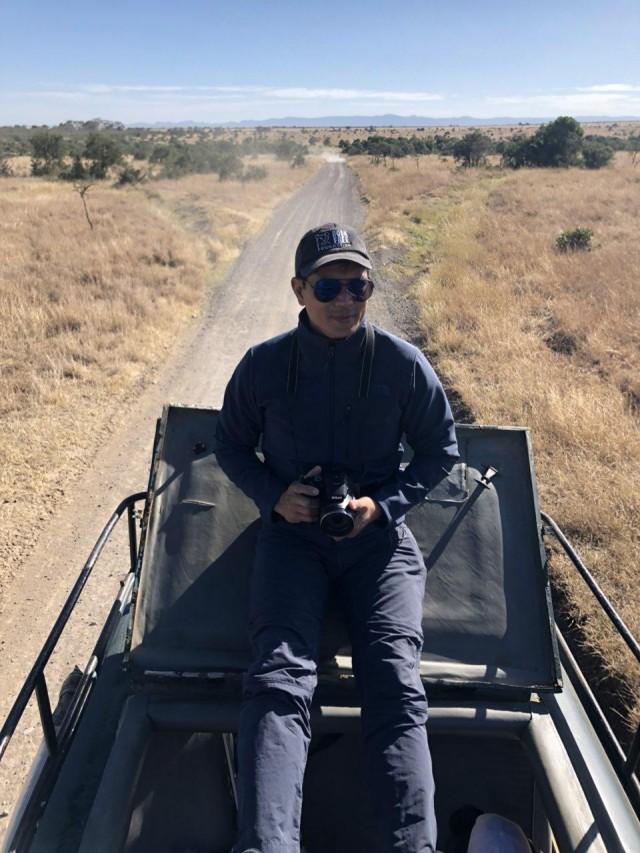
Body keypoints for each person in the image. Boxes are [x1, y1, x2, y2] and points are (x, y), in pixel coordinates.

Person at [215, 223, 459, 853]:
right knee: (277, 677)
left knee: (396, 681)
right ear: (300, 289)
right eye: (328, 287)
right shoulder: (263, 365)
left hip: (378, 544)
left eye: (359, 286)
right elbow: (230, 445)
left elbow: (441, 449)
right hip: (293, 541)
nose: (345, 300)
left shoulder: (403, 364)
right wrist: (276, 495)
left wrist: (384, 505)